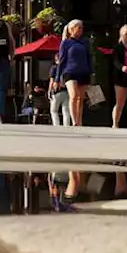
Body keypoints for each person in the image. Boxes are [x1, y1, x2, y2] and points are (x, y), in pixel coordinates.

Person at [57, 19, 91, 202]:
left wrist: (91, 71)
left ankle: (79, 121)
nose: (80, 29)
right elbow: (61, 59)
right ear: (70, 30)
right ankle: (74, 122)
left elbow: (89, 57)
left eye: (81, 27)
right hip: (69, 72)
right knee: (73, 96)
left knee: (81, 98)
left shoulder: (84, 42)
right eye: (78, 27)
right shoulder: (66, 43)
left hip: (83, 71)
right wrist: (56, 77)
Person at [48, 52, 73, 127]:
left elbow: (52, 80)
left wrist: (49, 90)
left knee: (53, 110)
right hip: (66, 91)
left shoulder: (54, 68)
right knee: (66, 110)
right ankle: (66, 125)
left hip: (56, 92)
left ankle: (56, 125)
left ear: (56, 60)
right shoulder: (67, 68)